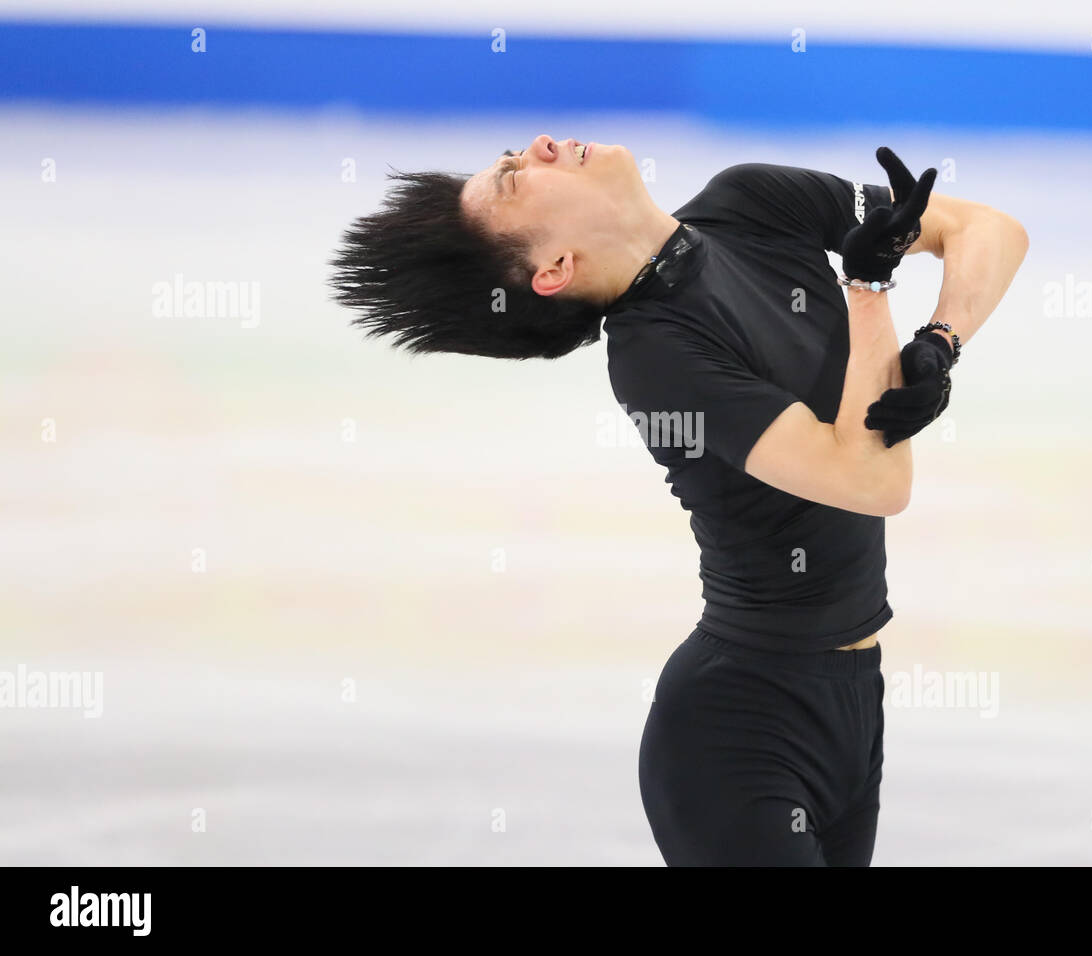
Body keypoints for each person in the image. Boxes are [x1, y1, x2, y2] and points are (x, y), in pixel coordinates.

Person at [329, 135, 1028, 865]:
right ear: (555, 269)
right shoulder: (654, 357)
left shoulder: (752, 199)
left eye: (512, 154)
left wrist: (940, 341)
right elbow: (872, 481)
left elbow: (988, 230)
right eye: (513, 178)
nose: (536, 146)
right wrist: (868, 290)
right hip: (740, 734)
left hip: (853, 701)